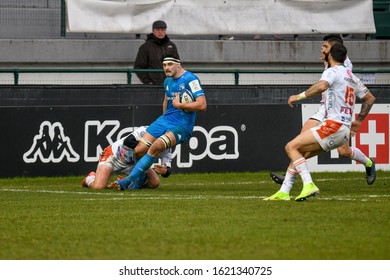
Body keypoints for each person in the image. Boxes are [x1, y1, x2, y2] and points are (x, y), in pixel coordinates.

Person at [264, 44, 376, 202]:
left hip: (333, 125)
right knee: (300, 151)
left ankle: (308, 184)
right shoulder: (352, 77)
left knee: (291, 147)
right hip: (343, 130)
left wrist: (299, 96)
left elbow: (322, 85)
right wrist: (358, 121)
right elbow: (370, 98)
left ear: (330, 55)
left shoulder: (332, 71)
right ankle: (284, 192)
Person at [112, 54, 207, 190]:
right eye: (164, 65)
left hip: (182, 125)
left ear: (178, 64)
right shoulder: (167, 81)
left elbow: (202, 105)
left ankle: (127, 182)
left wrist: (180, 105)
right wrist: (163, 124)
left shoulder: (190, 79)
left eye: (169, 65)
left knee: (156, 146)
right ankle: (139, 181)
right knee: (139, 150)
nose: (166, 68)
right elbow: (165, 101)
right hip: (165, 120)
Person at [81, 126, 172, 190]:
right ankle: (90, 178)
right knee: (98, 187)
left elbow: (167, 169)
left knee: (155, 183)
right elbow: (128, 142)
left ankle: (126, 183)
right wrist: (148, 148)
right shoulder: (147, 130)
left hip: (134, 163)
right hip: (114, 157)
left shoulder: (167, 144)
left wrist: (164, 171)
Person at [133, 20, 179, 85]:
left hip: (170, 84)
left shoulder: (171, 46)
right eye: (157, 30)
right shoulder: (146, 47)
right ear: (153, 30)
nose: (160, 32)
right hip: (153, 87)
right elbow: (138, 67)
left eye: (163, 30)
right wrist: (149, 82)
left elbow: (177, 65)